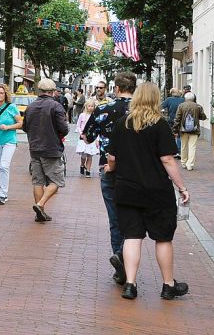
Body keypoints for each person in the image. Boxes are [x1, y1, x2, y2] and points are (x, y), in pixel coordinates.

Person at [107, 82, 190, 300]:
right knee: (163, 238)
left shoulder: (121, 123)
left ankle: (130, 284)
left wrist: (111, 168)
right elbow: (168, 159)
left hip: (126, 189)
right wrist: (181, 187)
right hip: (156, 191)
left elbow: (112, 158)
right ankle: (167, 285)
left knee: (132, 236)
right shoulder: (160, 124)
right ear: (155, 99)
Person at [82, 71, 137, 285]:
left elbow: (87, 137)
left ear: (116, 88)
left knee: (115, 217)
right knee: (134, 216)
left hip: (109, 168)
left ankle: (120, 258)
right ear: (134, 87)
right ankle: (124, 255)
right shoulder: (144, 111)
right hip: (137, 170)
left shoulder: (104, 109)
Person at [22, 78, 69, 222]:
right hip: (51, 148)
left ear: (39, 91)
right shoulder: (56, 106)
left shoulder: (30, 107)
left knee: (38, 181)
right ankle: (40, 204)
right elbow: (64, 129)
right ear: (53, 92)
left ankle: (40, 213)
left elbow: (25, 127)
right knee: (56, 181)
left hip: (34, 148)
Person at [0, 83, 23, 205]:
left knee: (4, 166)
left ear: (5, 94)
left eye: (1, 93)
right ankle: (2, 192)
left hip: (9, 141)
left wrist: (8, 127)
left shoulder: (11, 107)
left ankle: (3, 194)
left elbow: (21, 123)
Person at [173, 92, 206, 171]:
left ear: (185, 98)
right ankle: (190, 165)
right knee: (192, 147)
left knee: (183, 146)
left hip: (183, 130)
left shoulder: (181, 106)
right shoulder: (198, 106)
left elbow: (177, 118)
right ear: (193, 98)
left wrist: (175, 129)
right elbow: (203, 117)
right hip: (194, 130)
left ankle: (183, 163)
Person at [75, 100, 98, 178]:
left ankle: (88, 171)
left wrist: (97, 138)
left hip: (92, 138)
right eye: (89, 106)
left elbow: (97, 127)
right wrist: (81, 133)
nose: (91, 107)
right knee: (84, 155)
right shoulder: (82, 115)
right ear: (86, 106)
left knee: (90, 155)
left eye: (92, 106)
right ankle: (82, 165)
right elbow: (78, 125)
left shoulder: (95, 116)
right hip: (83, 137)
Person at [160, 88, 185, 156]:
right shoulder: (183, 100)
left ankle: (173, 150)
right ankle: (178, 151)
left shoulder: (169, 99)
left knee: (171, 135)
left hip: (171, 120)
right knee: (179, 135)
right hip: (180, 120)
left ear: (172, 93)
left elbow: (160, 107)